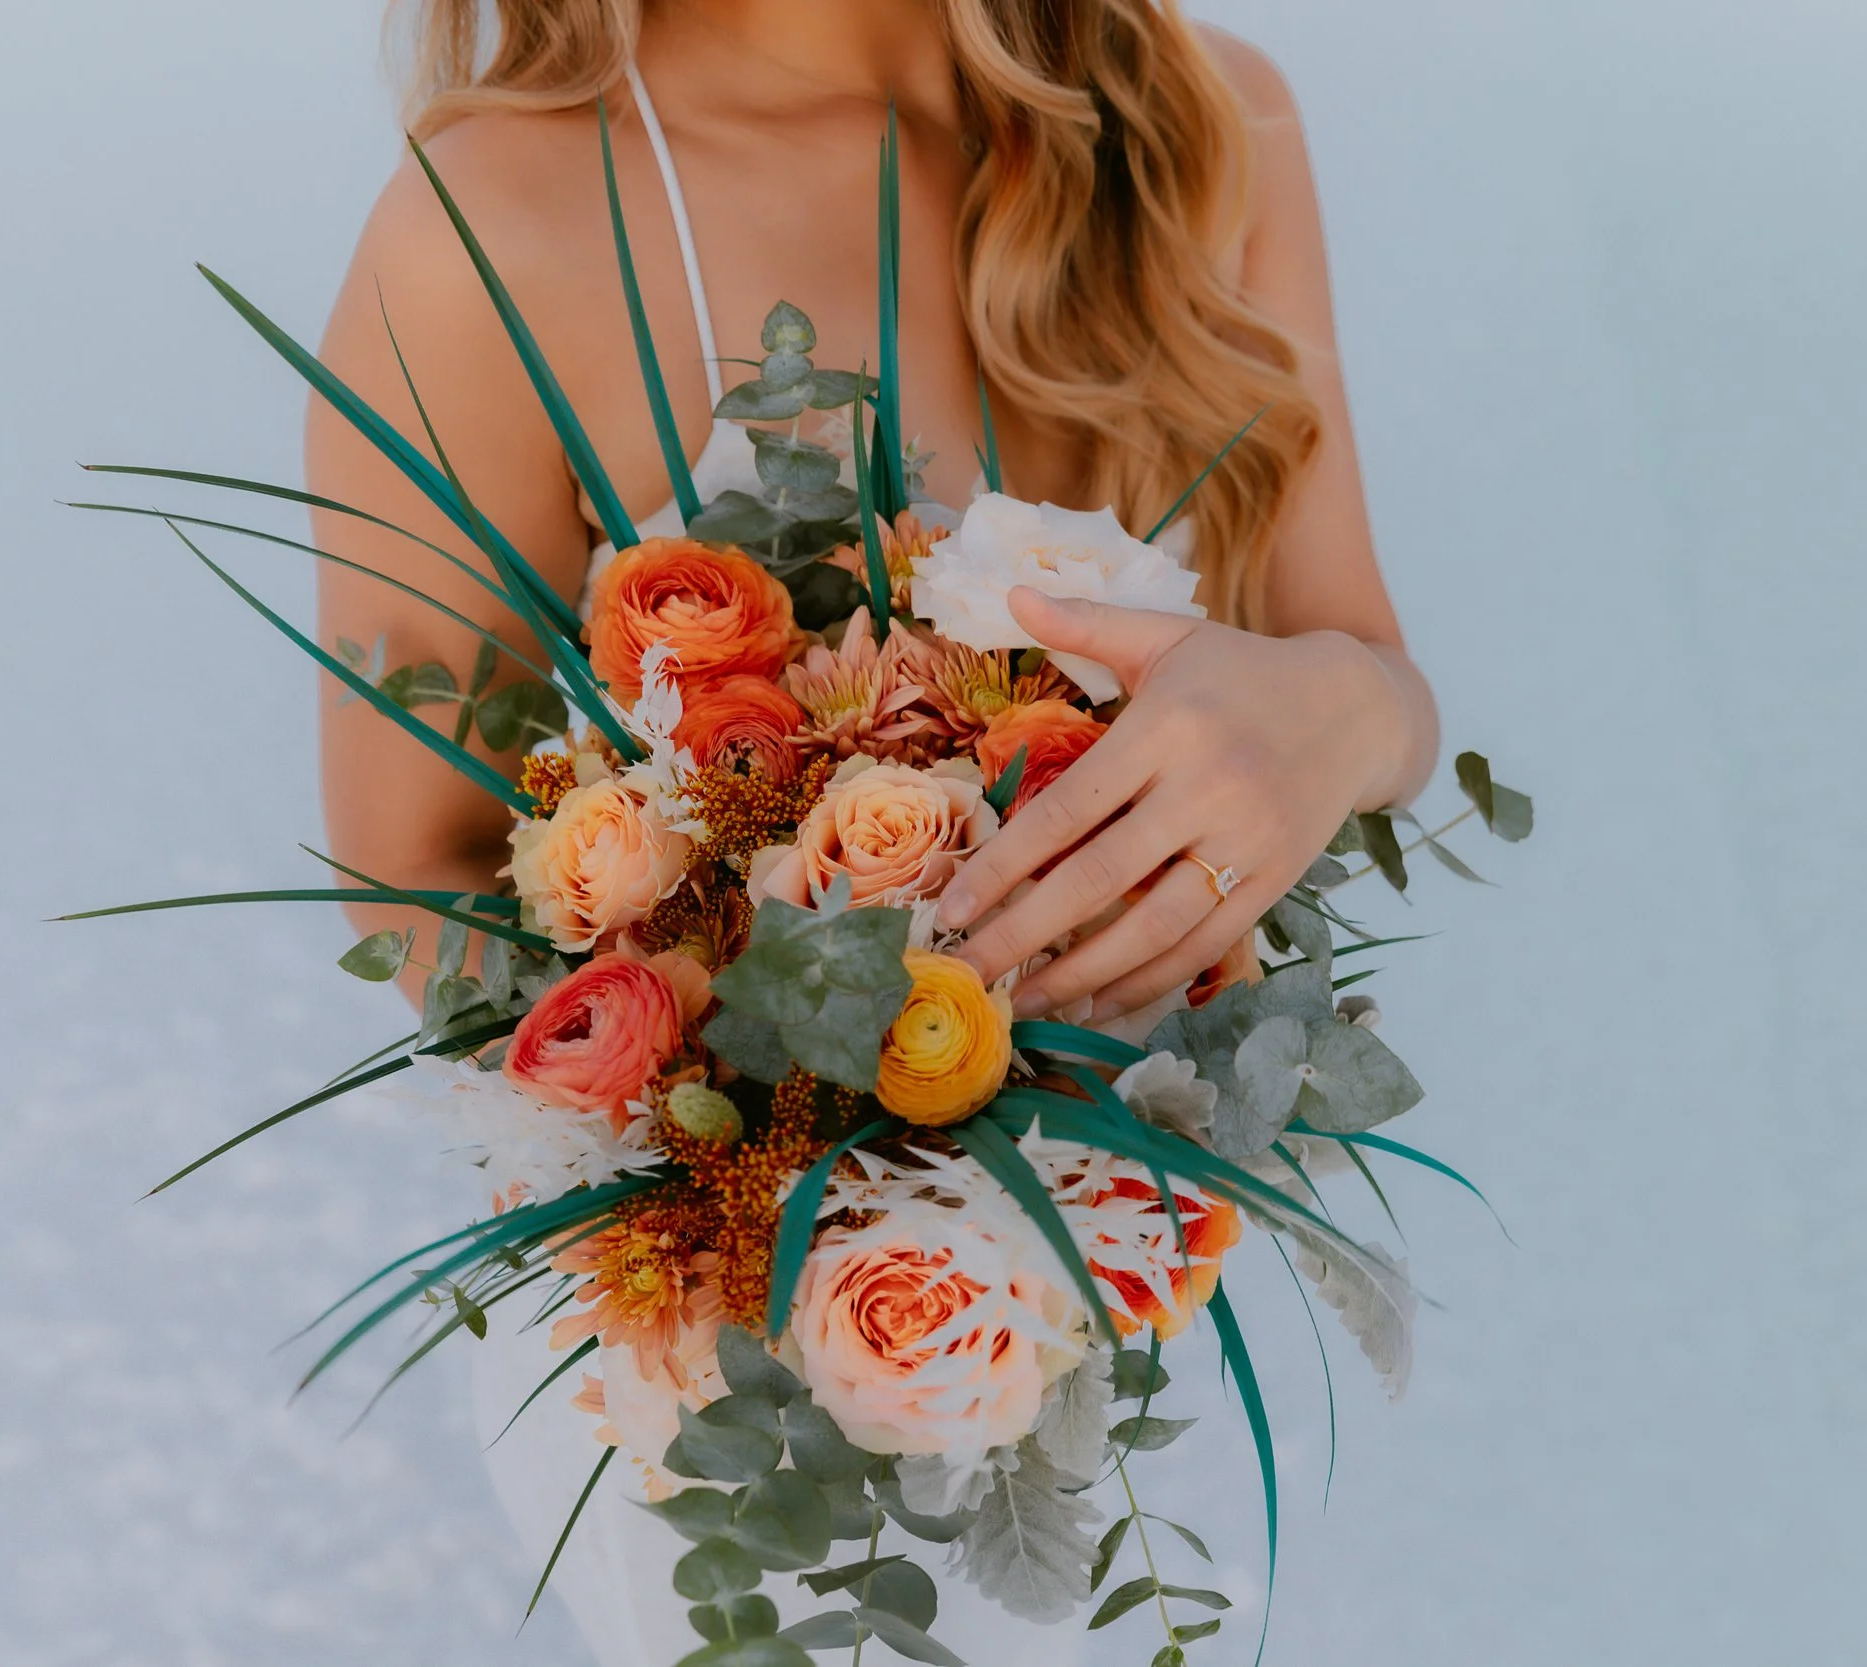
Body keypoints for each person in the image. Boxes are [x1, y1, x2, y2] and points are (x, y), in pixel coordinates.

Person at [308, 2, 1439, 1658]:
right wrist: (747, 1140)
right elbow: (408, 860)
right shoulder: (503, 215)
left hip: (1130, 1313)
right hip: (742, 1390)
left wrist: (1335, 709)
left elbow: (1372, 677)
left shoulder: (1208, 120)